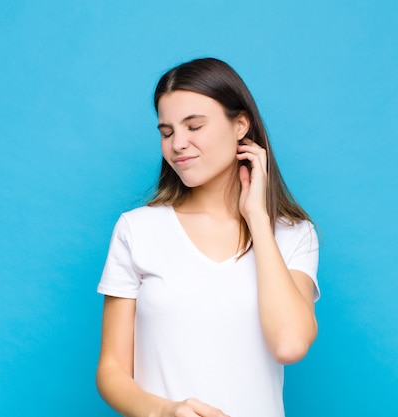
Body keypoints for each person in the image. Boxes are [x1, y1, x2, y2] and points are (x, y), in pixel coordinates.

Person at [96, 57, 320, 417]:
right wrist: (166, 412)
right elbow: (112, 370)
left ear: (240, 126)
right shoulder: (137, 229)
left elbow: (289, 344)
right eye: (166, 132)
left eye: (194, 126)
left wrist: (258, 220)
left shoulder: (294, 235)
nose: (178, 144)